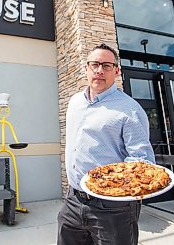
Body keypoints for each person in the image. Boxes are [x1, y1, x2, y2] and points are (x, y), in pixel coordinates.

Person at [57, 43, 155, 245]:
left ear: (117, 71)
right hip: (73, 200)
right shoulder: (74, 102)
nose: (99, 70)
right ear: (86, 68)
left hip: (113, 208)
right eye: (95, 64)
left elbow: (142, 162)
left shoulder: (130, 109)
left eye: (107, 66)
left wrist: (112, 188)